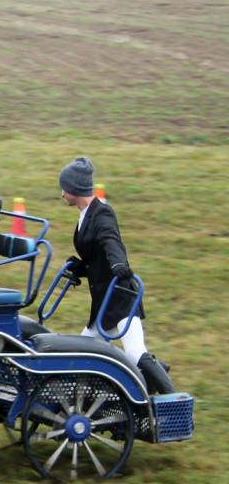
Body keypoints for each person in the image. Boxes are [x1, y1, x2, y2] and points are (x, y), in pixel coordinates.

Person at [59, 156, 175, 394]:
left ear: (75, 189)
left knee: (134, 352)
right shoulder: (85, 216)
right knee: (84, 350)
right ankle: (85, 402)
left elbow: (110, 240)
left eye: (64, 187)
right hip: (103, 300)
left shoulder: (102, 214)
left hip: (120, 295)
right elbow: (96, 252)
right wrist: (82, 267)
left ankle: (173, 399)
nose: (61, 193)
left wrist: (118, 264)